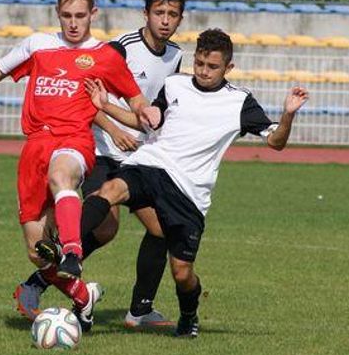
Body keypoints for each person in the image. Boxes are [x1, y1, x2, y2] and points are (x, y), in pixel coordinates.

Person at [81, 28, 309, 338]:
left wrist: (287, 116)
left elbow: (276, 143)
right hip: (152, 164)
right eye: (199, 63)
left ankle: (189, 315)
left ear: (228, 68)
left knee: (182, 272)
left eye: (212, 66)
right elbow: (147, 121)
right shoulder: (174, 85)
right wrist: (104, 104)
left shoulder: (239, 102)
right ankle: (69, 251)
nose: (203, 71)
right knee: (108, 190)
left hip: (188, 194)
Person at [0, 0, 148, 331]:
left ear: (93, 14)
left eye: (80, 15)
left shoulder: (104, 55)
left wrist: (146, 112)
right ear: (57, 14)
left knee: (62, 176)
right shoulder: (38, 45)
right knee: (37, 251)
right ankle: (81, 296)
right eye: (66, 16)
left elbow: (136, 99)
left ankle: (73, 252)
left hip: (73, 140)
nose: (73, 23)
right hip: (34, 147)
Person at [12, 0, 186, 328]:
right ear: (146, 13)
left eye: (173, 15)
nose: (165, 21)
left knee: (160, 228)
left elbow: (147, 106)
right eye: (159, 13)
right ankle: (49, 277)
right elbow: (83, 98)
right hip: (104, 149)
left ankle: (139, 310)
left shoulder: (175, 55)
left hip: (139, 154)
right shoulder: (118, 49)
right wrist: (113, 130)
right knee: (106, 227)